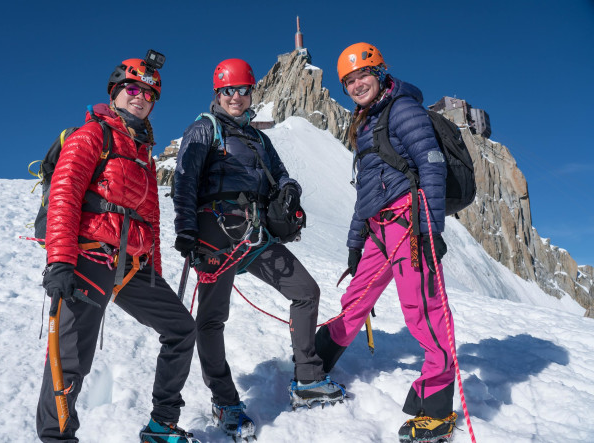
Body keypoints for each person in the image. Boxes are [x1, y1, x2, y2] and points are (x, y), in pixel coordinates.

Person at [172, 58, 346, 440]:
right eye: (228, 90)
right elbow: (184, 180)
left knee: (305, 291)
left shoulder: (258, 138)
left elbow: (280, 174)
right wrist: (185, 229)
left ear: (252, 91)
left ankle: (308, 377)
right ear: (218, 94)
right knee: (213, 317)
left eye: (243, 89)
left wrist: (290, 189)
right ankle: (224, 399)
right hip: (214, 232)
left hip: (254, 234)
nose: (236, 97)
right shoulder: (205, 129)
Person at [36, 55, 197, 443]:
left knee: (180, 329)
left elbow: (151, 221)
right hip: (90, 254)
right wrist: (59, 260)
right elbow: (64, 194)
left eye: (149, 93)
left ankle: (162, 423)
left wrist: (154, 271)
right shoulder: (92, 135)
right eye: (133, 88)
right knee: (71, 359)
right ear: (116, 91)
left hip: (133, 266)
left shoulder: (144, 155)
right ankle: (57, 438)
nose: (141, 97)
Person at [314, 43, 458, 443]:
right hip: (379, 228)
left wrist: (430, 230)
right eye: (349, 80)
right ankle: (317, 361)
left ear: (379, 73)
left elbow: (430, 163)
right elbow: (366, 191)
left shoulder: (403, 109)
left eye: (364, 75)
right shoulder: (364, 123)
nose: (357, 84)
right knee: (356, 298)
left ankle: (437, 409)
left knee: (422, 310)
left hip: (409, 224)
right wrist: (355, 242)